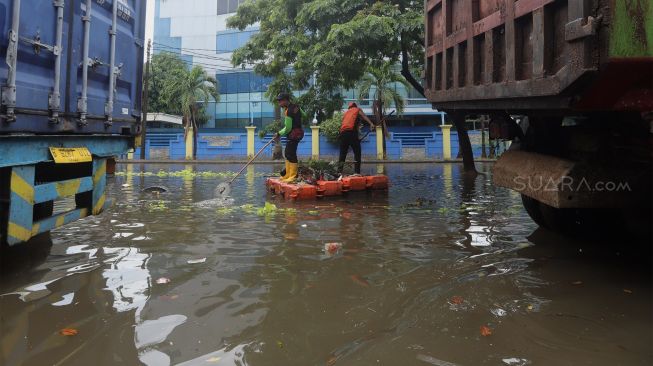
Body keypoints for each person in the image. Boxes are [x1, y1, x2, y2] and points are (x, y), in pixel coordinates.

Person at [273, 93, 304, 183]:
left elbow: (288, 128)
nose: (279, 103)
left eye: (280, 101)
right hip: (298, 132)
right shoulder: (296, 107)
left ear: (286, 100)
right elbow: (304, 115)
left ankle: (293, 176)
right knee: (288, 153)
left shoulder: (288, 111)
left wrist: (279, 133)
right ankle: (288, 174)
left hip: (294, 134)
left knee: (290, 153)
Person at [338, 102, 375, 175]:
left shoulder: (346, 113)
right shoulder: (357, 110)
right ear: (355, 106)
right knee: (357, 152)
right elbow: (363, 116)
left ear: (349, 107)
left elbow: (351, 126)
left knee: (342, 153)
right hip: (351, 133)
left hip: (343, 134)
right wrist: (371, 124)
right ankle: (357, 172)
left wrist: (357, 139)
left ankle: (339, 172)